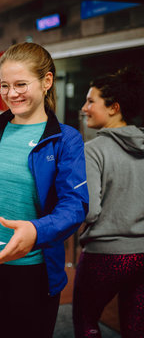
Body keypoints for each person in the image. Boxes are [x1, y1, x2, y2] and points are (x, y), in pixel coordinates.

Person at [0, 42, 89, 337]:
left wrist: (36, 231)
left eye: (21, 84)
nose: (12, 94)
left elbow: (74, 205)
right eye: (5, 86)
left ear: (47, 82)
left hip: (35, 268)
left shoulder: (65, 140)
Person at [73, 66, 144, 338]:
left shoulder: (92, 150)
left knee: (86, 323)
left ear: (114, 107)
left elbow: (89, 211)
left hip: (105, 257)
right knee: (135, 328)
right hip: (142, 255)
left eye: (91, 101)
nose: (84, 107)